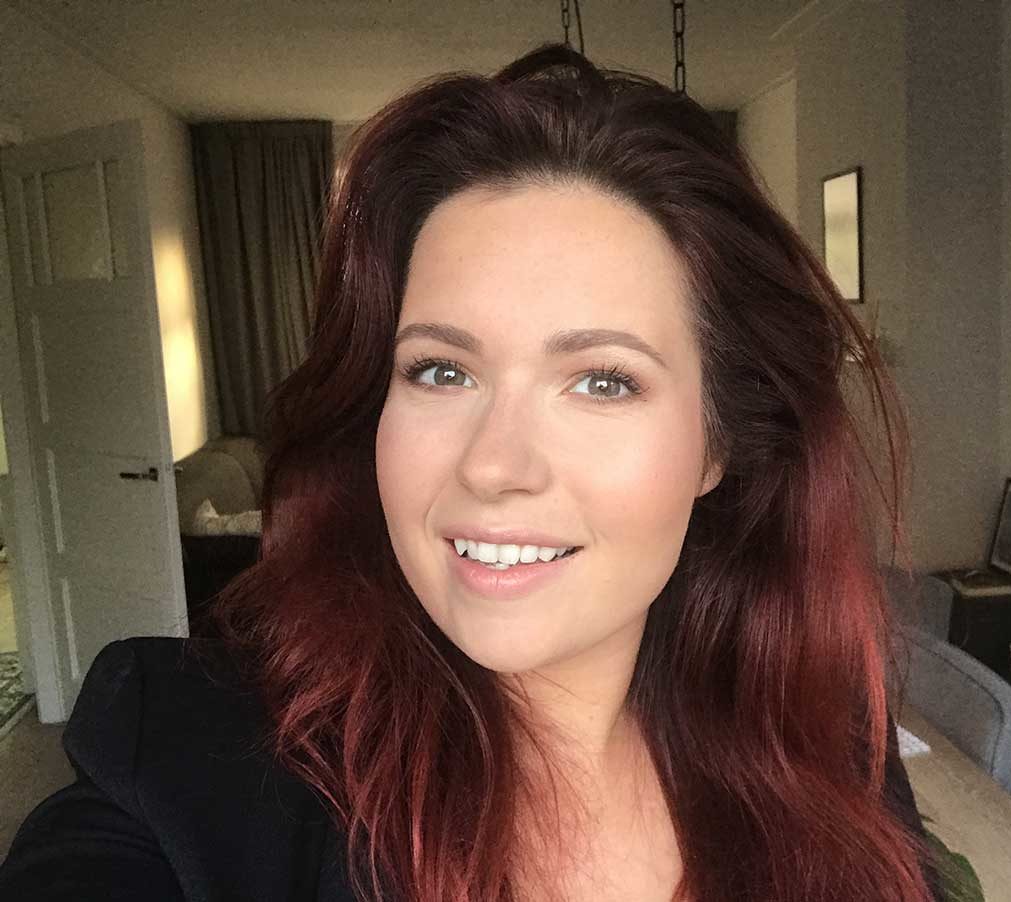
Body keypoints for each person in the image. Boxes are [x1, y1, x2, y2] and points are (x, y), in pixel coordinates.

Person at [0, 44, 941, 902]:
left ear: (717, 446)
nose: (493, 465)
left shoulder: (826, 742)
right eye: (442, 371)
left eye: (603, 381)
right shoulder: (188, 770)